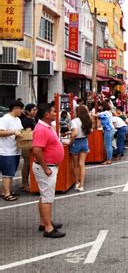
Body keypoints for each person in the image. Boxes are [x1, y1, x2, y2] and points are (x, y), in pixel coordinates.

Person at [31, 102, 65, 238]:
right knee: (47, 198)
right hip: (46, 168)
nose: (55, 113)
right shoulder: (41, 129)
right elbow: (37, 150)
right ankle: (48, 228)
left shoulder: (47, 126)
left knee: (45, 195)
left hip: (49, 166)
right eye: (53, 111)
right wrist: (45, 168)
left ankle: (44, 222)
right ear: (46, 114)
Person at [0, 100, 24, 201]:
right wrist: (14, 132)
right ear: (15, 108)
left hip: (15, 149)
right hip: (6, 151)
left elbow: (21, 131)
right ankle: (6, 194)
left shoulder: (17, 119)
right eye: (20, 109)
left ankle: (7, 190)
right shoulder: (5, 119)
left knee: (11, 173)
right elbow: (0, 132)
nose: (21, 111)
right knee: (7, 173)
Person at [69, 105, 92, 191]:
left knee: (75, 165)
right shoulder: (87, 120)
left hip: (76, 142)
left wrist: (70, 141)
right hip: (84, 141)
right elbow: (90, 131)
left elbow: (75, 133)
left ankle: (77, 182)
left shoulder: (74, 121)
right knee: (82, 164)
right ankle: (82, 185)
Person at [20, 103, 37, 192]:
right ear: (27, 111)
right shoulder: (26, 121)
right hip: (27, 146)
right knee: (27, 164)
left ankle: (27, 183)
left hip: (32, 145)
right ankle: (24, 184)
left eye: (35, 109)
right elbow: (28, 133)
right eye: (33, 110)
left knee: (29, 164)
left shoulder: (33, 119)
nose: (35, 111)